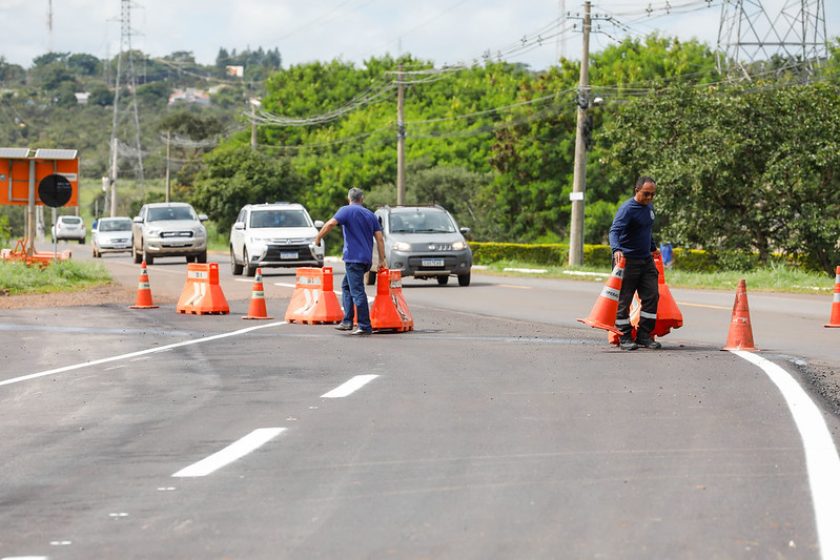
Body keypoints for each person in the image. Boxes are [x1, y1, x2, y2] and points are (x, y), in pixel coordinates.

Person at [314, 187, 386, 336]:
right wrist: (381, 260)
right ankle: (347, 321)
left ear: (349, 198)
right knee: (346, 286)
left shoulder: (346, 210)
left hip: (353, 258)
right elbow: (379, 238)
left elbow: (330, 224)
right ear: (362, 198)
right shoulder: (370, 214)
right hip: (365, 260)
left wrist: (318, 238)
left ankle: (364, 325)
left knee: (357, 291)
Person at [608, 176, 661, 351]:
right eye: (646, 194)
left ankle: (644, 335)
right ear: (636, 190)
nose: (650, 198)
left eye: (653, 194)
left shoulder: (649, 208)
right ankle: (624, 336)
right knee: (624, 300)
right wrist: (616, 249)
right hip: (627, 261)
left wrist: (653, 248)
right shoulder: (627, 209)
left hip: (645, 260)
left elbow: (646, 230)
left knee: (652, 296)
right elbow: (614, 231)